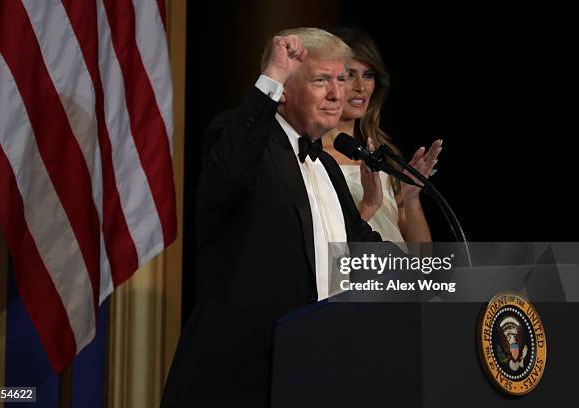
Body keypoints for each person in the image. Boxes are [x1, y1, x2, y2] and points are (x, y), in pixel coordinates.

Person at [160, 28, 385, 407]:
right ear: (282, 94)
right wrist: (272, 77)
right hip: (239, 377)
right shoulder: (240, 139)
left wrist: (441, 277)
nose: (337, 94)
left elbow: (362, 248)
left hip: (315, 372)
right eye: (320, 81)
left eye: (341, 80)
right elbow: (229, 172)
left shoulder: (327, 167)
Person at [322, 27, 442, 243]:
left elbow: (423, 258)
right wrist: (367, 204)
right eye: (350, 75)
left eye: (368, 75)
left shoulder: (384, 156)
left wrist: (411, 197)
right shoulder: (313, 157)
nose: (361, 87)